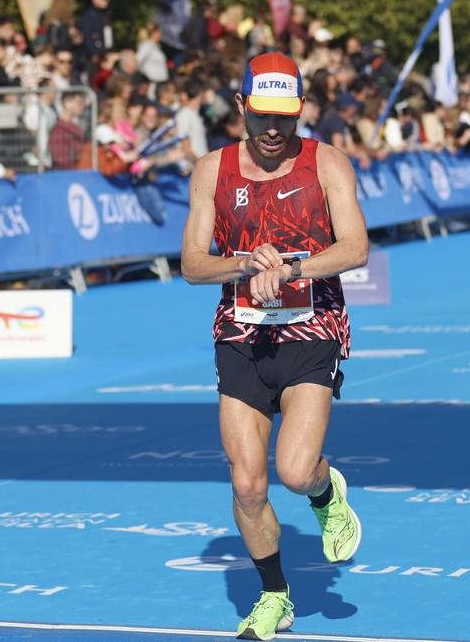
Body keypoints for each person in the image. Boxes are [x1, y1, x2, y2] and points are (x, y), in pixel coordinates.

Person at [179, 52, 368, 640]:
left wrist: (291, 268)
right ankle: (274, 596)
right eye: (262, 115)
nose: (273, 130)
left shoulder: (325, 162)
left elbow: (356, 248)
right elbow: (191, 265)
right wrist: (243, 264)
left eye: (285, 117)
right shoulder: (213, 170)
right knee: (246, 483)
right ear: (240, 106)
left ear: (301, 111)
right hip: (241, 332)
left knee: (293, 470)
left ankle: (325, 489)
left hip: (312, 326)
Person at [48, 89, 89, 169]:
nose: (83, 106)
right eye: (79, 103)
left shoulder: (75, 128)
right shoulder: (59, 130)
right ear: (67, 104)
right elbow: (61, 160)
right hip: (67, 176)